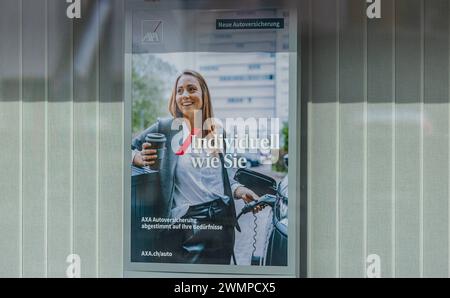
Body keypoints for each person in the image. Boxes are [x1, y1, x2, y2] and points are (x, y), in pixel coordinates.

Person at [131, 70, 261, 264]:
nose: (185, 95)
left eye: (192, 89)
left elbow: (223, 180)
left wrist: (240, 190)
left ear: (203, 95)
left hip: (222, 222)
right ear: (175, 98)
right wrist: (136, 157)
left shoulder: (218, 133)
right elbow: (126, 147)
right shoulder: (166, 127)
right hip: (188, 224)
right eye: (180, 91)